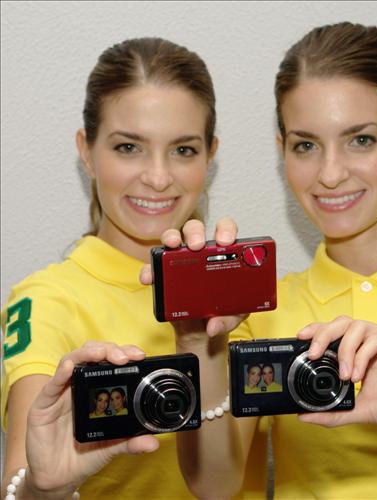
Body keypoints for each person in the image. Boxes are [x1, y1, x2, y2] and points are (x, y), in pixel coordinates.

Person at [148, 22, 377, 499]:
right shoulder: (259, 312)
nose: (331, 173)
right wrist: (197, 339)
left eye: (361, 140)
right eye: (306, 145)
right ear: (283, 151)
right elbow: (214, 485)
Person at [0, 36, 230, 499]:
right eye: (128, 147)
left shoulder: (233, 293)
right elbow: (21, 477)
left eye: (183, 150)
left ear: (210, 155)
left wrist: (200, 342)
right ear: (87, 151)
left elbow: (220, 486)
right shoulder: (45, 300)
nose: (158, 177)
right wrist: (42, 487)